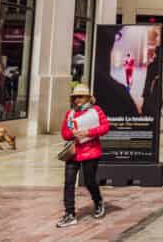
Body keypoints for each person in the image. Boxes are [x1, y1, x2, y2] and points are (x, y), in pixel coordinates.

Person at [57, 84, 110, 228]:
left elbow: (105, 127)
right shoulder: (70, 113)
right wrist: (72, 133)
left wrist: (89, 132)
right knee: (68, 183)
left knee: (89, 181)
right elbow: (64, 133)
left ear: (87, 97)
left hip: (91, 152)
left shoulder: (96, 111)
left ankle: (98, 201)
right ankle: (69, 214)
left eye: (80, 96)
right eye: (75, 97)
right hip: (73, 153)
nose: (77, 100)